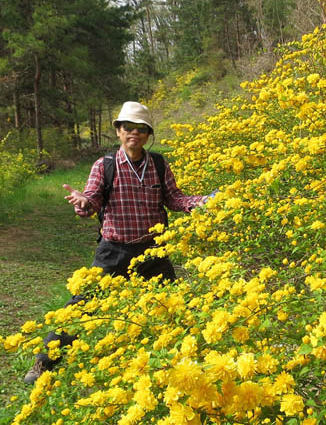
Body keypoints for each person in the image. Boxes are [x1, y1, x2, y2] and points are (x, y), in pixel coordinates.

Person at [24, 101, 209, 383]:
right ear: (118, 132)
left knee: (174, 304)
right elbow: (91, 202)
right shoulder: (105, 165)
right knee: (82, 306)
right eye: (128, 128)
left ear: (148, 134)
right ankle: (43, 363)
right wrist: (84, 202)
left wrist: (202, 202)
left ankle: (189, 363)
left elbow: (175, 198)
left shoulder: (158, 164)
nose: (134, 133)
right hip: (113, 251)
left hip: (153, 251)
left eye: (140, 129)